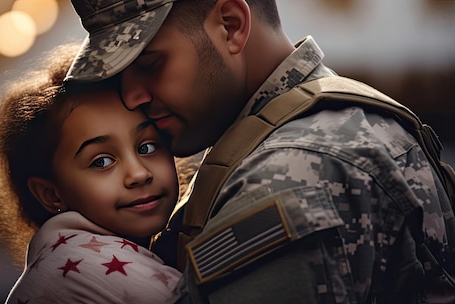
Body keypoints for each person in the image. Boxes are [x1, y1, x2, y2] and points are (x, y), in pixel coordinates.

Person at [64, 0, 455, 303]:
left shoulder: (285, 176)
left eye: (149, 64)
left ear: (231, 25)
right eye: (121, 76)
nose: (132, 96)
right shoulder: (343, 120)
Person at [0, 43, 182, 303]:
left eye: (147, 147)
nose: (139, 174)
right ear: (51, 194)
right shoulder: (87, 266)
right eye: (102, 162)